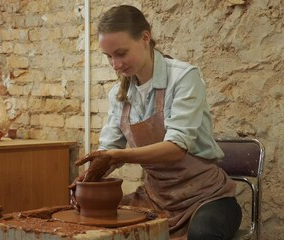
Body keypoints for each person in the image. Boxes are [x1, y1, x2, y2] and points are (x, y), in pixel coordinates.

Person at [70, 4, 242, 240]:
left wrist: (118, 157)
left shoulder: (183, 77)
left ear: (145, 38)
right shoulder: (119, 94)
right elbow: (108, 152)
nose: (116, 65)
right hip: (155, 198)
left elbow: (175, 148)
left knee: (203, 235)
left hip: (207, 198)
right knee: (101, 229)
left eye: (121, 53)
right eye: (108, 57)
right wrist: (89, 179)